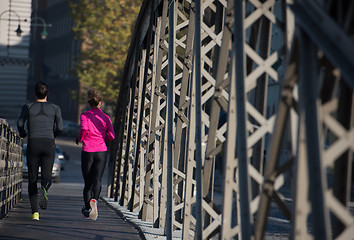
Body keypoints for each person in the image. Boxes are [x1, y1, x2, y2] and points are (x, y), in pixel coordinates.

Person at [17, 81, 63, 221]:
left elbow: (20, 123)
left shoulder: (28, 106)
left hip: (33, 143)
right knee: (47, 176)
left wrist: (23, 133)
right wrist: (52, 136)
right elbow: (60, 127)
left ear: (34, 94)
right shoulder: (55, 108)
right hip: (49, 143)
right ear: (47, 94)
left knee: (32, 178)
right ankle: (44, 188)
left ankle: (35, 212)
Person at [76, 88, 115, 220]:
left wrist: (80, 139)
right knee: (97, 180)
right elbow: (112, 135)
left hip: (88, 151)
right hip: (101, 151)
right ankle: (95, 200)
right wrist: (104, 138)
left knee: (87, 182)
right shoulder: (106, 117)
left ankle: (87, 208)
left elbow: (84, 129)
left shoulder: (84, 115)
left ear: (89, 102)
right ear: (100, 103)